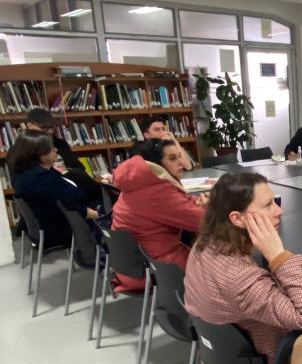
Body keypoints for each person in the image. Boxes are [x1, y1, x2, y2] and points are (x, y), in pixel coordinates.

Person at [183, 172, 302, 364]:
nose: (279, 211)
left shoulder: (204, 246)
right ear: (237, 218)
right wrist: (278, 255)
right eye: (268, 205)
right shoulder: (239, 278)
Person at [111, 138, 206, 291]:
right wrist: (207, 205)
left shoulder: (139, 182)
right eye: (173, 158)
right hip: (158, 268)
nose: (181, 163)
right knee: (223, 264)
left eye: (179, 156)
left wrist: (194, 202)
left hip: (131, 266)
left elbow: (175, 202)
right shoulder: (157, 192)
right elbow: (204, 222)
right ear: (158, 163)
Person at [8, 129, 99, 252]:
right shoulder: (43, 178)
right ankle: (103, 255)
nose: (56, 150)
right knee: (106, 207)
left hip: (43, 225)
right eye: (51, 149)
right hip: (59, 228)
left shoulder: (21, 173)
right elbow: (75, 203)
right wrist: (98, 215)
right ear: (40, 154)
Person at [25, 107, 102, 205]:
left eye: (51, 128)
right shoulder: (24, 151)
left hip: (72, 189)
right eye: (44, 128)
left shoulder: (60, 144)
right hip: (54, 199)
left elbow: (79, 167)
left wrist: (67, 171)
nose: (49, 132)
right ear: (30, 126)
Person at [130, 115, 194, 171]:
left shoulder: (166, 146)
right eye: (157, 130)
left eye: (163, 129)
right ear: (146, 135)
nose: (162, 132)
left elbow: (188, 167)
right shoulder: (139, 148)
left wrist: (174, 141)